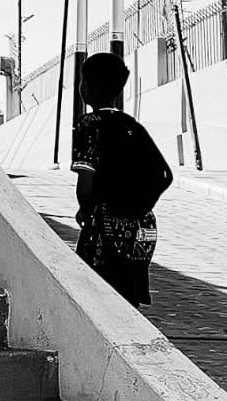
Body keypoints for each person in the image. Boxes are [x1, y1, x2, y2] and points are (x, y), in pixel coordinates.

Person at [70, 51, 173, 306]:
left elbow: (85, 181)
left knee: (95, 298)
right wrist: (136, 205)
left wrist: (87, 209)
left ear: (87, 87)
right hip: (139, 231)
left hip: (103, 230)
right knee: (129, 297)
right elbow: (164, 175)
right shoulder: (132, 125)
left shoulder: (89, 125)